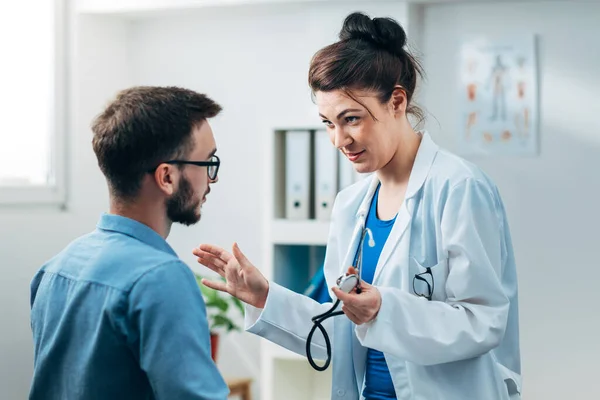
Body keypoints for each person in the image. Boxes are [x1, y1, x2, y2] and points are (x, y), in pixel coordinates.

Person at [195, 11, 521, 400]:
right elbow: (341, 332)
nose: (339, 140)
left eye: (351, 119)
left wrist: (383, 308)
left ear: (397, 101)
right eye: (328, 123)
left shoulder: (459, 188)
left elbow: (483, 323)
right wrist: (265, 296)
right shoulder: (351, 206)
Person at [29, 86, 229, 400]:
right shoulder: (161, 278)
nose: (212, 179)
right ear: (167, 177)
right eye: (208, 163)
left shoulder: (55, 269)